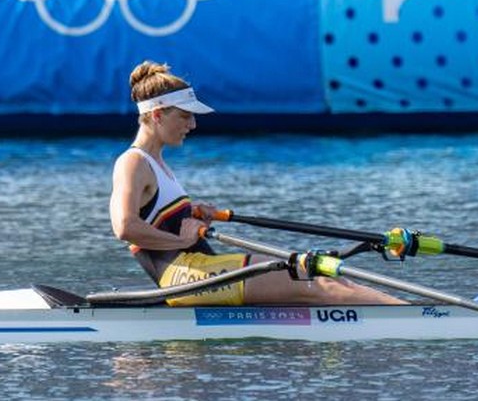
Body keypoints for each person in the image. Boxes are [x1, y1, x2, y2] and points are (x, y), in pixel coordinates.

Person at [108, 60, 404, 306]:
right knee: (315, 280)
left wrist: (190, 212)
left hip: (200, 271)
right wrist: (181, 240)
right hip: (183, 278)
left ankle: (410, 313)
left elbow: (156, 217)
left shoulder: (159, 165)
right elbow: (125, 227)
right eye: (185, 116)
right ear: (157, 115)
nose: (193, 125)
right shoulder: (133, 162)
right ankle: (420, 317)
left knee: (314, 274)